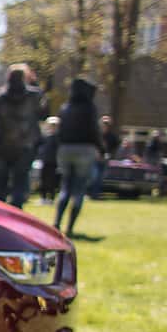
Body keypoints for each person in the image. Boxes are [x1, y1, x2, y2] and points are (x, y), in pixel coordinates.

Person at [0, 64, 43, 208]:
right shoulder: (34, 96)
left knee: (0, 187)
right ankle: (16, 214)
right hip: (24, 146)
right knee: (20, 183)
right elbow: (41, 115)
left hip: (1, 147)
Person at [54, 77, 102, 238]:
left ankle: (57, 222)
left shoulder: (65, 108)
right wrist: (101, 148)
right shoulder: (89, 108)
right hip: (84, 149)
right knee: (79, 189)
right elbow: (94, 131)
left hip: (65, 149)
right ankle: (70, 227)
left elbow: (59, 132)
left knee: (65, 187)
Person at [36, 116, 61, 201]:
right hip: (44, 161)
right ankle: (43, 197)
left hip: (54, 162)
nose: (52, 127)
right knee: (43, 179)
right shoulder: (44, 137)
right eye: (51, 125)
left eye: (54, 125)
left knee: (52, 181)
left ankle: (51, 197)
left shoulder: (58, 138)